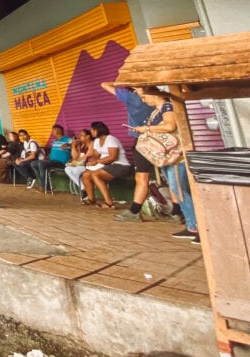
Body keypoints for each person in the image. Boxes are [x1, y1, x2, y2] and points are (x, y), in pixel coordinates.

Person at [133, 87, 200, 244]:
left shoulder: (167, 106)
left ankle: (198, 227)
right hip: (166, 158)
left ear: (153, 93)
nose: (143, 100)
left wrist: (147, 129)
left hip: (176, 157)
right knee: (177, 190)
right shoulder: (156, 110)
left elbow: (170, 126)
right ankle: (191, 226)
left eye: (144, 97)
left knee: (180, 191)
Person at [101, 82, 155, 220]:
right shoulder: (159, 98)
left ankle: (134, 211)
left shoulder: (132, 97)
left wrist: (125, 82)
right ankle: (176, 212)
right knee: (171, 176)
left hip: (143, 141)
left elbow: (104, 84)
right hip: (163, 140)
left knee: (142, 177)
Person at [80, 120, 133, 207]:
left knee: (95, 175)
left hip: (120, 166)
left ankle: (109, 202)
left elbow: (113, 157)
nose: (91, 131)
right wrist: (90, 157)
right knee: (85, 174)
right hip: (107, 165)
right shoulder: (97, 141)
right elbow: (96, 155)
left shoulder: (111, 139)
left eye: (92, 130)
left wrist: (96, 161)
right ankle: (91, 199)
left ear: (98, 130)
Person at [32, 124, 73, 192]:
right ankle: (43, 185)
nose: (52, 133)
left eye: (52, 131)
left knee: (41, 163)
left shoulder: (68, 139)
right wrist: (46, 158)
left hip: (61, 162)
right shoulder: (55, 141)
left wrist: (69, 144)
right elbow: (52, 152)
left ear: (56, 131)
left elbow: (78, 143)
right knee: (33, 163)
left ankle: (44, 187)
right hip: (52, 162)